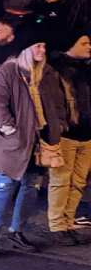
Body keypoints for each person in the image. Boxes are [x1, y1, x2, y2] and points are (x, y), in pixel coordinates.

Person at [0, 37, 65, 257]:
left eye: (44, 45)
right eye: (38, 45)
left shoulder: (45, 73)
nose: (42, 49)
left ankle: (16, 231)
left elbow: (57, 103)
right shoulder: (9, 71)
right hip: (15, 141)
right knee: (4, 186)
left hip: (41, 141)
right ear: (25, 49)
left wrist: (59, 125)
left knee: (31, 187)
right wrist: (9, 128)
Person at [47, 31, 91, 245]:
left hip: (87, 133)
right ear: (70, 45)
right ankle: (57, 225)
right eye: (83, 43)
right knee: (61, 179)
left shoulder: (85, 70)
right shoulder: (57, 70)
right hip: (67, 134)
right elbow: (54, 104)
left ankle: (68, 220)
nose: (89, 45)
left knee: (79, 180)